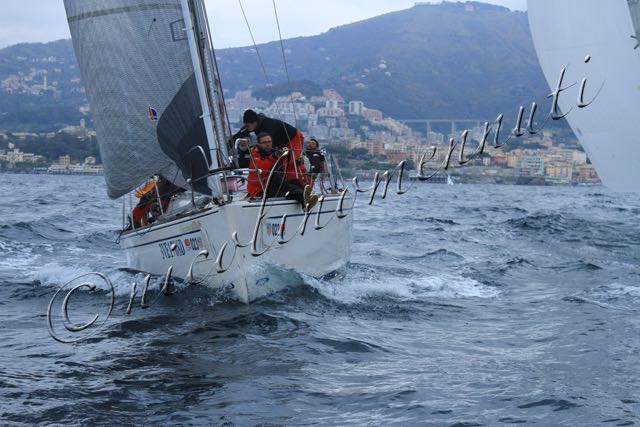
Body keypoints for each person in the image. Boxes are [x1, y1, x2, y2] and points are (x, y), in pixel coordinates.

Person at [247, 132, 318, 211]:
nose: (267, 144)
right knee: (289, 188)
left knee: (296, 183)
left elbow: (283, 167)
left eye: (269, 142)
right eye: (264, 142)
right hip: (261, 188)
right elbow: (263, 167)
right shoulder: (255, 155)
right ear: (259, 144)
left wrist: (293, 160)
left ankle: (307, 198)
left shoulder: (271, 152)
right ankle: (305, 203)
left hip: (275, 182)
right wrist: (274, 156)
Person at [233, 109, 308, 183]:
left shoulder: (268, 125)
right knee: (282, 162)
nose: (246, 127)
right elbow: (238, 135)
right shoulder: (252, 125)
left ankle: (301, 182)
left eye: (247, 125)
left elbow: (268, 147)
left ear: (254, 123)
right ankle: (282, 182)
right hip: (279, 142)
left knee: (291, 163)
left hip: (293, 138)